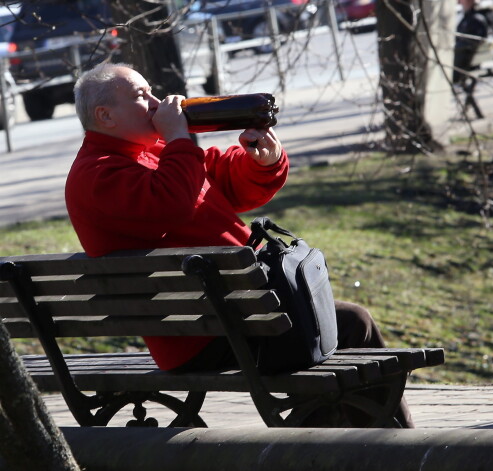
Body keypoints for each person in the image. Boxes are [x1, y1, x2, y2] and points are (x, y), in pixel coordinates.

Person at [65, 62, 414, 427]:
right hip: (202, 333)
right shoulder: (97, 174)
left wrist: (260, 162)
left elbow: (217, 178)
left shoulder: (149, 155)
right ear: (105, 115)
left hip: (232, 316)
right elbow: (172, 200)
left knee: (338, 328)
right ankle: (397, 447)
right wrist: (179, 139)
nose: (156, 102)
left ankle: (334, 437)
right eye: (141, 96)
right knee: (353, 323)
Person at [453, 0, 491, 86]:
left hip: (465, 64)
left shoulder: (474, 19)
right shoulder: (471, 18)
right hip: (470, 61)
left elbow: (470, 43)